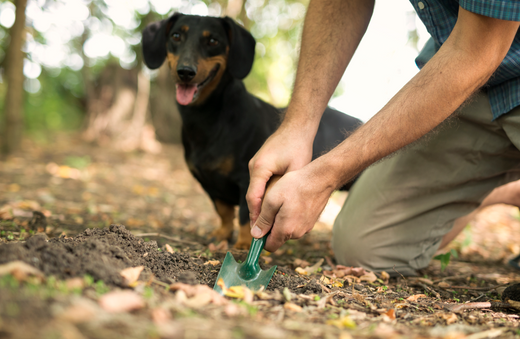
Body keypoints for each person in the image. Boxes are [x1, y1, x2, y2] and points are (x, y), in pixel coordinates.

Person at [245, 0, 520, 275]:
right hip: (475, 87)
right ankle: (494, 188)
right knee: (363, 249)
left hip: (480, 59)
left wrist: (325, 175)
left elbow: (476, 50)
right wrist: (297, 127)